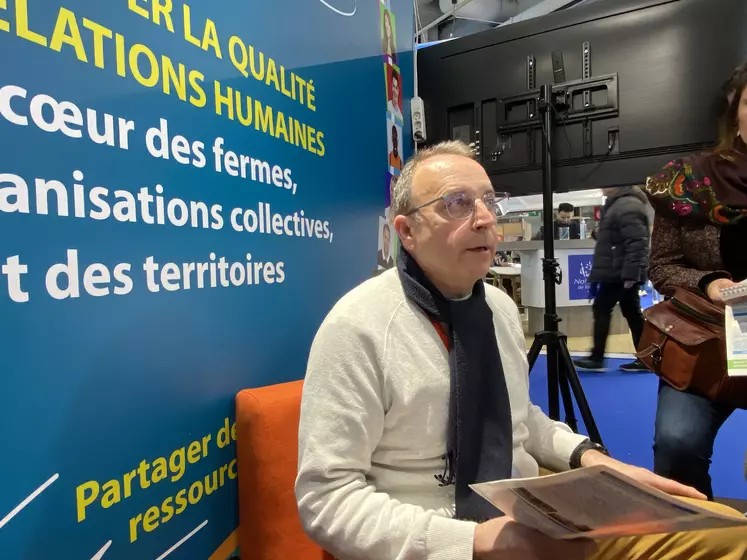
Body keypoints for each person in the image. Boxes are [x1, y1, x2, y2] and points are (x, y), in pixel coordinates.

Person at [295, 140, 747, 560]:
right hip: (440, 535)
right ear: (407, 231)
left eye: (490, 201)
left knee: (728, 531)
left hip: (532, 508)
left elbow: (519, 419)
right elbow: (326, 501)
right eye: (457, 204)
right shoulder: (358, 327)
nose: (486, 219)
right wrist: (476, 541)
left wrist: (595, 462)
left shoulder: (498, 306)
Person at [643, 64, 747, 500]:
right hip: (707, 336)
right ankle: (692, 536)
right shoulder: (687, 180)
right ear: (735, 108)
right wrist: (710, 284)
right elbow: (662, 266)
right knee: (677, 445)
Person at [573, 186, 651, 373]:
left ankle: (598, 357)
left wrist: (632, 273)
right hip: (618, 270)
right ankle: (646, 358)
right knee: (631, 313)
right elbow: (620, 237)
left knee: (603, 308)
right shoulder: (621, 204)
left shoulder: (626, 204)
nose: (601, 186)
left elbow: (638, 241)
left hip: (619, 272)